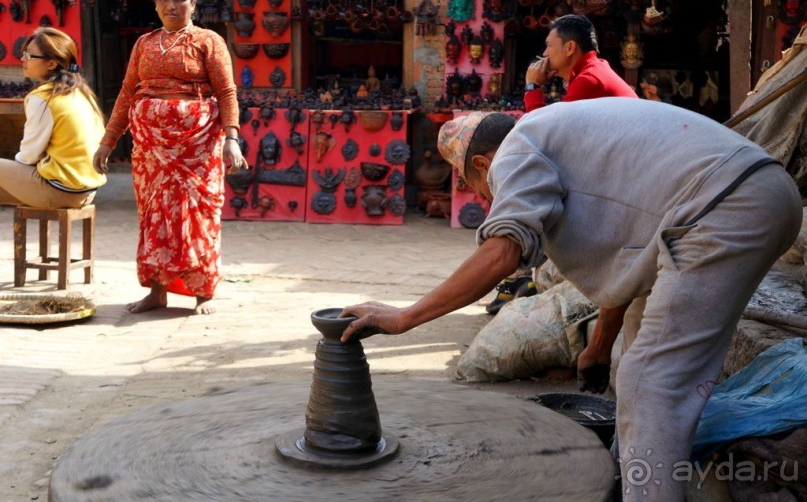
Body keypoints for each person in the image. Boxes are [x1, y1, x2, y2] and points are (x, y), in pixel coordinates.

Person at [340, 98, 802, 502]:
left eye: (472, 187)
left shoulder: (516, 151)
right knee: (637, 350)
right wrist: (599, 346)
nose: (482, 198)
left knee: (652, 380)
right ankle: (629, 479)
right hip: (760, 196)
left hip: (726, 206)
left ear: (482, 165)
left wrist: (404, 317)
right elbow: (630, 272)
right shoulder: (557, 136)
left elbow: (501, 253)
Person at [93, 0, 247, 315]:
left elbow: (226, 91)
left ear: (193, 3)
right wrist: (107, 141)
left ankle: (202, 292)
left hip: (197, 147)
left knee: (197, 215)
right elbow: (126, 92)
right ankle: (156, 291)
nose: (171, 4)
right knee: (155, 216)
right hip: (150, 150)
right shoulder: (144, 43)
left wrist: (231, 138)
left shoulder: (208, 41)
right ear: (155, 3)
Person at [487, 14, 639, 315]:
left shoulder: (589, 80)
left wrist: (532, 86)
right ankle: (521, 278)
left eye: (549, 46)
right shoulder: (590, 73)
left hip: (623, 181)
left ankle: (520, 276)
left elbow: (545, 136)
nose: (545, 55)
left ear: (570, 48)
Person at [0, 27, 106, 209]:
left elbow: (28, 156)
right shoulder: (82, 93)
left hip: (60, 191)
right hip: (86, 192)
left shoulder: (43, 98)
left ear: (51, 64)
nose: (23, 59)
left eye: (29, 55)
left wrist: (14, 172)